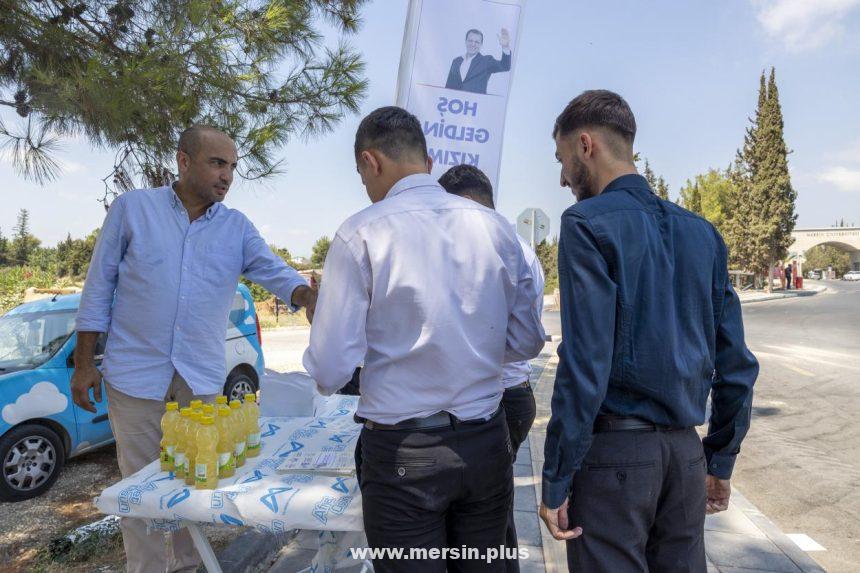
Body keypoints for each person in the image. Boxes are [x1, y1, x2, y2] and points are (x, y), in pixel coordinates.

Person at [303, 106, 545, 572]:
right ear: (428, 164)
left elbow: (332, 368)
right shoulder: (497, 229)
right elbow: (527, 341)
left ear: (371, 162)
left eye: (362, 175)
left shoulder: (361, 232)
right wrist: (470, 354)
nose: (367, 188)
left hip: (403, 454)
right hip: (485, 441)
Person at [73, 125, 317, 573]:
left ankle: (188, 566)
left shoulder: (236, 227)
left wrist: (305, 297)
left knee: (195, 483)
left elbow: (273, 270)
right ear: (184, 160)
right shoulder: (132, 210)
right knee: (139, 490)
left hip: (199, 379)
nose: (227, 176)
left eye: (232, 167)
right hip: (133, 375)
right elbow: (98, 286)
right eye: (217, 163)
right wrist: (84, 362)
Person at [538, 91, 759, 572]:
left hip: (616, 459)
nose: (561, 177)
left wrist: (556, 476)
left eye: (561, 159)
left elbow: (586, 364)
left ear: (585, 144)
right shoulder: (703, 233)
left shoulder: (585, 223)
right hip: (683, 456)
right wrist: (719, 458)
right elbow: (737, 364)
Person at [438, 164, 544, 573]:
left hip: (497, 399)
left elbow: (521, 342)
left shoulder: (487, 250)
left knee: (484, 520)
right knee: (491, 512)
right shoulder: (517, 247)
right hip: (513, 396)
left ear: (463, 204)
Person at [445, 28, 512, 94]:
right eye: (470, 41)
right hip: (455, 103)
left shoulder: (486, 61)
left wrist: (505, 47)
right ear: (466, 41)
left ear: (481, 44)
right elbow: (448, 87)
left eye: (477, 42)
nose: (473, 44)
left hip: (476, 103)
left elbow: (505, 66)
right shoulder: (456, 61)